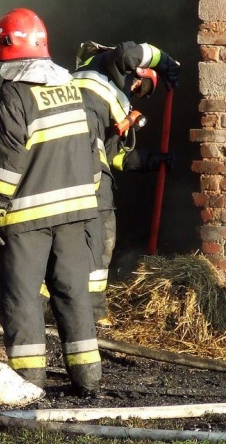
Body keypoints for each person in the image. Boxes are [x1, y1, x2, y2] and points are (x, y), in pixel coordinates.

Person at [0, 7, 102, 395]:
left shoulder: (13, 94)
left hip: (28, 217)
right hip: (76, 214)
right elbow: (92, 149)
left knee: (21, 296)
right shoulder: (71, 88)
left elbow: (8, 160)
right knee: (72, 293)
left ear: (4, 45)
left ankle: (29, 382)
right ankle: (88, 379)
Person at [72, 40, 180, 324]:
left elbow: (112, 157)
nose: (136, 93)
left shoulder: (97, 103)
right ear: (137, 73)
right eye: (141, 86)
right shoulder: (109, 67)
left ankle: (49, 304)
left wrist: (149, 161)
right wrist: (164, 60)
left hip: (70, 159)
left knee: (66, 235)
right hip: (85, 162)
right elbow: (128, 52)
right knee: (101, 232)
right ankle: (93, 314)